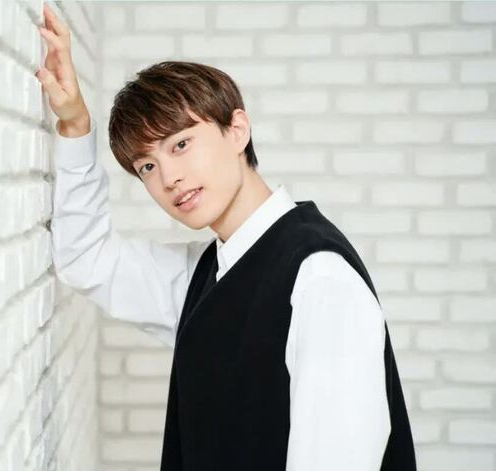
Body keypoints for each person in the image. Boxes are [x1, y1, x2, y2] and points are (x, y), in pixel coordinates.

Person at [35, 4, 417, 470]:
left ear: (237, 131)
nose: (169, 178)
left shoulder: (318, 278)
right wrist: (75, 125)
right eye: (147, 166)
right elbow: (86, 259)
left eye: (181, 144)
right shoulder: (209, 272)